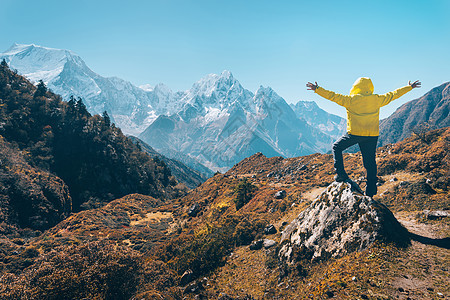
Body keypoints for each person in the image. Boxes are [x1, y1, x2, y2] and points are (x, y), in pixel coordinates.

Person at [306, 78, 421, 197]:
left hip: (355, 133)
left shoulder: (350, 100)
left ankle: (341, 174)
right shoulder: (377, 99)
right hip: (371, 135)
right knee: (370, 163)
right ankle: (371, 191)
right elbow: (394, 94)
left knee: (336, 147)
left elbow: (332, 96)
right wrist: (409, 87)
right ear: (370, 87)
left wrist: (317, 89)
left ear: (355, 87)